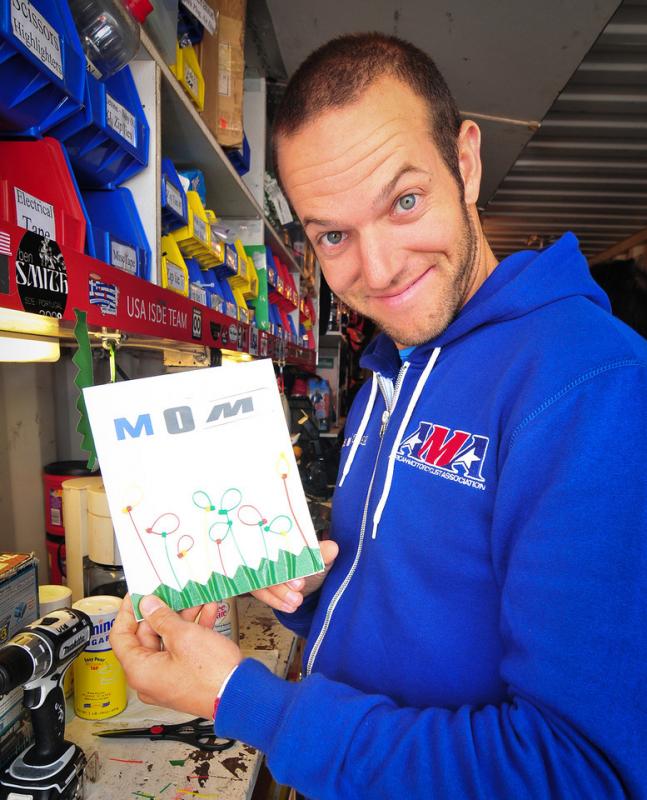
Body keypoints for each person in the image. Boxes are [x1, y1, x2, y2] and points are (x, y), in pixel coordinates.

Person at [111, 33, 647, 799]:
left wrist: (246, 701)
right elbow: (433, 610)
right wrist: (318, 589)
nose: (379, 268)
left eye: (403, 201)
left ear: (463, 162)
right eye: (333, 235)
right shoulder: (393, 366)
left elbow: (577, 771)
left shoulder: (588, 384)